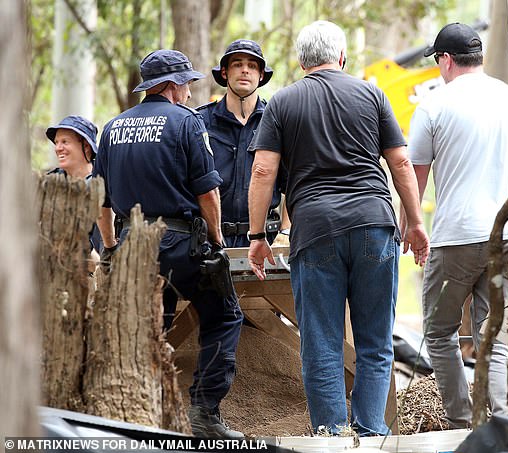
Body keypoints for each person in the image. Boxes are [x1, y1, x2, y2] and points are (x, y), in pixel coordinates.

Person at [246, 20, 429, 436]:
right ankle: (370, 433)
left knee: (322, 344)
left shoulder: (282, 103)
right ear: (342, 58)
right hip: (374, 225)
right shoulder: (371, 93)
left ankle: (330, 436)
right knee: (375, 344)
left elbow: (262, 171)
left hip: (315, 232)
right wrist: (415, 223)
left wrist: (258, 237)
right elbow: (400, 162)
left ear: (300, 61)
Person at [93, 49, 243, 439]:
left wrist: (111, 248)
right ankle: (203, 414)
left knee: (149, 326)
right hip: (180, 245)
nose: (191, 93)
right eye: (187, 84)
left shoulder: (112, 128)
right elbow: (208, 192)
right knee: (225, 315)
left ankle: (141, 413)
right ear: (172, 86)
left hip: (132, 245)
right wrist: (217, 242)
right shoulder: (187, 123)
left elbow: (100, 200)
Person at [407, 23, 508, 428]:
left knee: (438, 334)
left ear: (446, 60)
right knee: (495, 338)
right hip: (505, 236)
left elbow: (414, 176)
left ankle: (460, 422)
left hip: (454, 240)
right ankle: (501, 424)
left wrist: (414, 229)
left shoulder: (434, 104)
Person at [197, 39, 286, 247]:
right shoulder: (200, 121)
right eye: (237, 64)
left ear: (261, 75)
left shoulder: (277, 120)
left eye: (252, 66)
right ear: (225, 72)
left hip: (266, 240)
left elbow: (293, 184)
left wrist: (285, 232)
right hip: (211, 241)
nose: (245, 70)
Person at [46, 115, 103, 262]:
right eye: (57, 142)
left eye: (65, 142)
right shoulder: (50, 183)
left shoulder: (103, 185)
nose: (58, 148)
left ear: (86, 147)